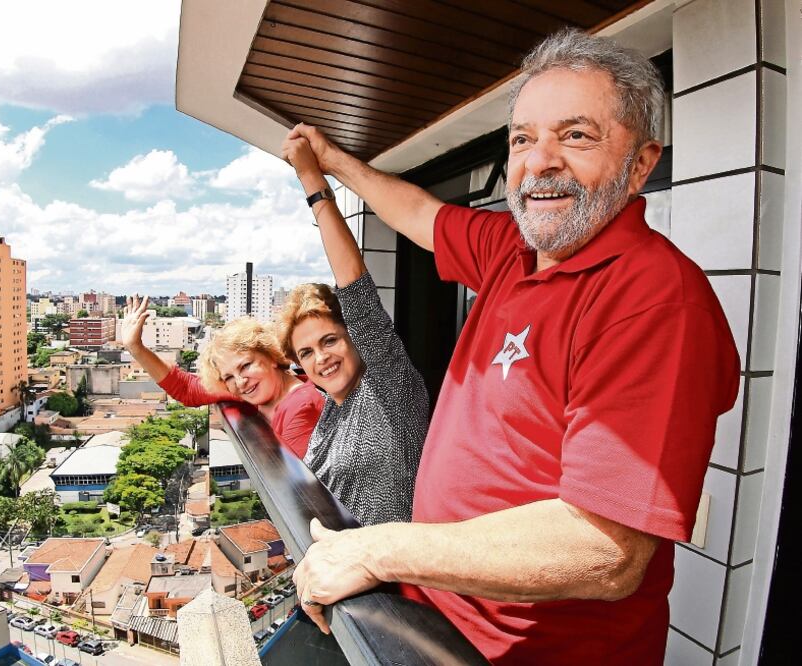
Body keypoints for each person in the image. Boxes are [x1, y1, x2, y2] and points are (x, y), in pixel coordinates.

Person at [288, 29, 740, 664]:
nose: (541, 159)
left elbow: (604, 549)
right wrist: (333, 163)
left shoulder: (657, 299)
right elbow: (417, 212)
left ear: (641, 164)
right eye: (523, 139)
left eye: (575, 135)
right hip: (437, 623)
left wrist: (378, 547)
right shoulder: (513, 249)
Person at [274, 137, 430, 527]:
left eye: (330, 340)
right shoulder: (331, 410)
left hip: (398, 582)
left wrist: (312, 181)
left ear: (355, 336)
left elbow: (355, 288)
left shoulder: (388, 388)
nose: (321, 358)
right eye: (306, 352)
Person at [118, 297, 322, 458]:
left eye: (246, 365)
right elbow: (187, 389)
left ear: (271, 356)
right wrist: (136, 348)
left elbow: (305, 494)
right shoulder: (255, 389)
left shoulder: (301, 407)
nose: (241, 381)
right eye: (229, 377)